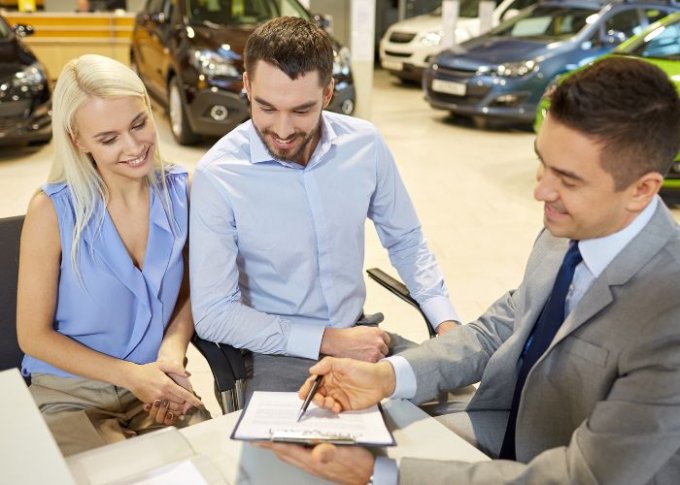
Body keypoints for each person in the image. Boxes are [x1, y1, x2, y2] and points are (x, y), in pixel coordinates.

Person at [260, 57, 680, 484]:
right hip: (507, 432)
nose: (541, 191)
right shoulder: (572, 225)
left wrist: (385, 475)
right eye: (542, 163)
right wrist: (387, 377)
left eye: (568, 180)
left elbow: (581, 476)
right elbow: (502, 327)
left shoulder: (668, 318)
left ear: (641, 190)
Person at [189, 16, 460, 398]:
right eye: (266, 108)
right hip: (279, 351)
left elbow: (406, 240)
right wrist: (327, 340)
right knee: (303, 453)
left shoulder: (365, 145)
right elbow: (215, 314)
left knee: (465, 408)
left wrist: (445, 321)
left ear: (328, 92)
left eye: (301, 111)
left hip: (361, 336)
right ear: (247, 86)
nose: (282, 130)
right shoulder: (218, 177)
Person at [17, 54, 209, 457]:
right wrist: (132, 377)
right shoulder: (51, 211)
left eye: (139, 124)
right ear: (78, 140)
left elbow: (196, 289)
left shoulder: (183, 191)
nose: (134, 146)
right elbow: (33, 336)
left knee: (207, 465)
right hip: (70, 394)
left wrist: (172, 353)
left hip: (158, 383)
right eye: (108, 138)